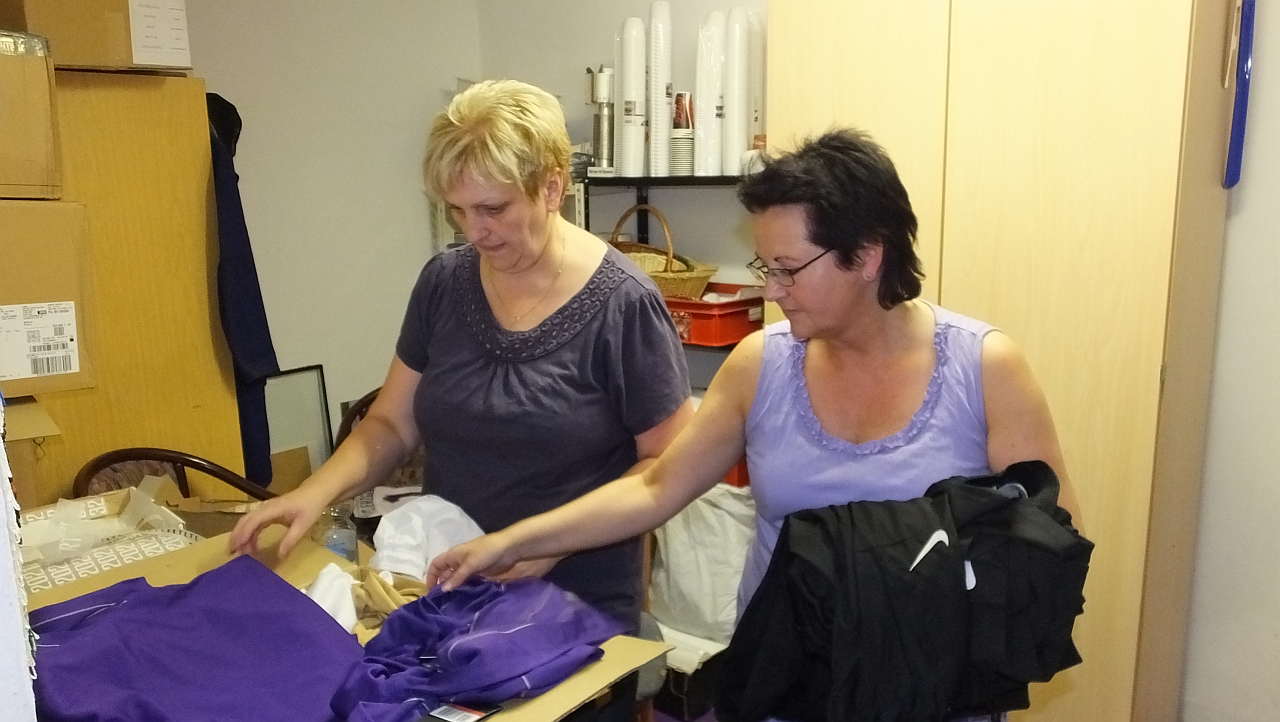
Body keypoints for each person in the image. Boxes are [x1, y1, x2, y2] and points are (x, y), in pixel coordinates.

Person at [427, 128, 1083, 620]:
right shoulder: (760, 365)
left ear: (867, 256)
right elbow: (655, 486)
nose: (771, 290)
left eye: (788, 269)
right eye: (765, 267)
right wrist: (509, 543)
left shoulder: (984, 370)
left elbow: (1053, 543)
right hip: (781, 690)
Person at [229, 79, 695, 637]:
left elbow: (663, 470)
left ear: (552, 187)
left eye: (493, 208)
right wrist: (312, 493)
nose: (474, 231)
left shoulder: (624, 305)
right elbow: (391, 424)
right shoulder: (444, 284)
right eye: (457, 210)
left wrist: (541, 543)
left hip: (573, 604)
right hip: (451, 588)